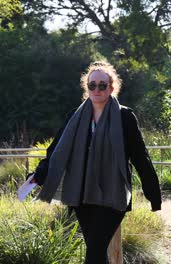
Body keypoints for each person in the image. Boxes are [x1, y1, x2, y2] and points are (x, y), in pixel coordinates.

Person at [28, 61, 162, 263]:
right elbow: (55, 150)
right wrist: (39, 174)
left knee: (95, 251)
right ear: (86, 87)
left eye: (102, 85)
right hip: (82, 194)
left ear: (111, 88)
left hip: (113, 193)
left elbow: (140, 156)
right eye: (92, 85)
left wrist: (153, 194)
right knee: (96, 251)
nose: (97, 89)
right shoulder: (75, 116)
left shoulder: (124, 116)